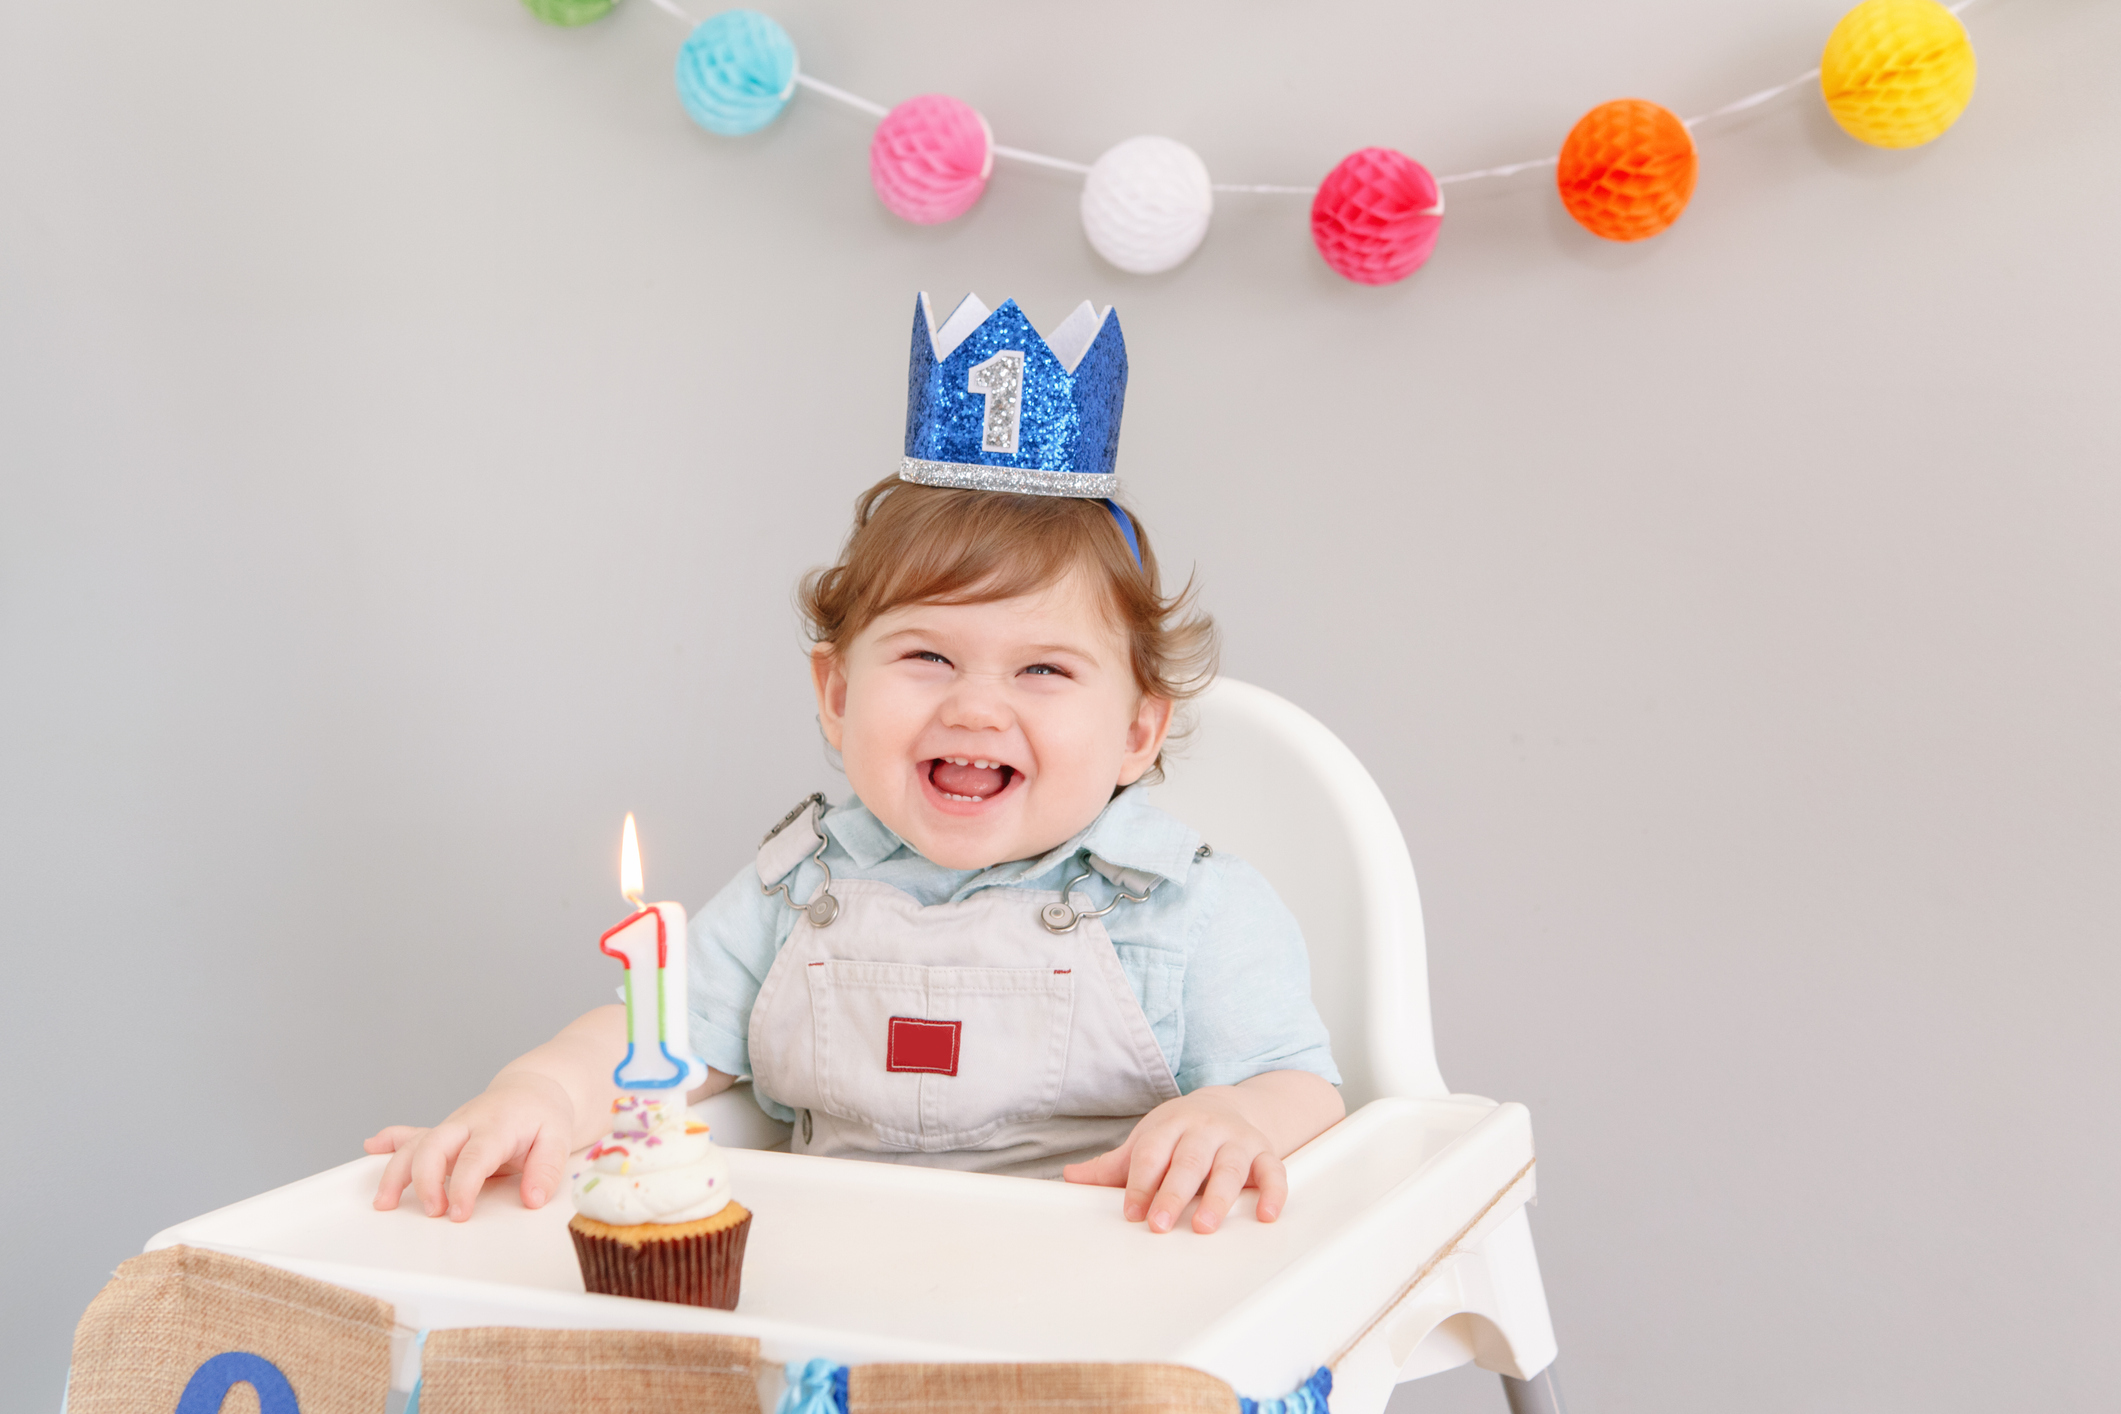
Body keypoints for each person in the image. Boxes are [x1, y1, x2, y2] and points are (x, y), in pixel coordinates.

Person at [365, 293, 1343, 1238]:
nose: (975, 706)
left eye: (1044, 668)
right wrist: (535, 1092)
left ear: (1138, 730)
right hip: (837, 1301)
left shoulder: (1191, 908)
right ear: (836, 694)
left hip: (1094, 1302)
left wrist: (1239, 1120)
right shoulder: (802, 888)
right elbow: (647, 1046)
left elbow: (1303, 1086)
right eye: (928, 657)